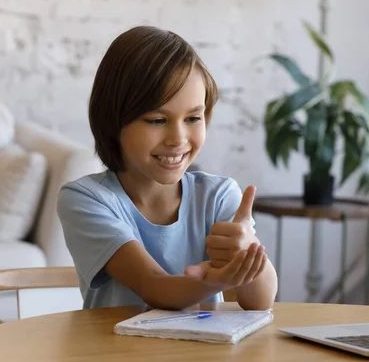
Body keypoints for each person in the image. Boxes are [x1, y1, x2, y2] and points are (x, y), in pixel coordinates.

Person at [57, 26, 278, 311]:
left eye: (193, 117)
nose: (178, 139)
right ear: (114, 120)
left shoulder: (217, 196)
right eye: (157, 120)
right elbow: (153, 285)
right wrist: (213, 281)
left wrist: (247, 253)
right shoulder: (86, 200)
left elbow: (260, 301)